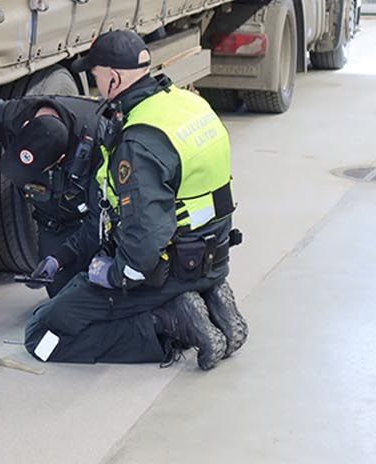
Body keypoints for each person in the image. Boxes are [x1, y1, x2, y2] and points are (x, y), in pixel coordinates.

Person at [22, 30, 248, 370]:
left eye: (95, 76)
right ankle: (211, 295)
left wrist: (112, 275)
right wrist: (60, 257)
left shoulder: (137, 140)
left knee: (43, 334)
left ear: (113, 78)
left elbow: (144, 243)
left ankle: (169, 323)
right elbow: (110, 212)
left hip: (164, 270)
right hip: (212, 258)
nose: (96, 85)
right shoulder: (188, 105)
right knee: (82, 289)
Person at [0, 93, 107, 295]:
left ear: (61, 159)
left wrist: (59, 258)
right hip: (53, 222)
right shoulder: (16, 114)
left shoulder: (100, 142)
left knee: (102, 291)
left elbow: (98, 220)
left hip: (90, 222)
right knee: (59, 292)